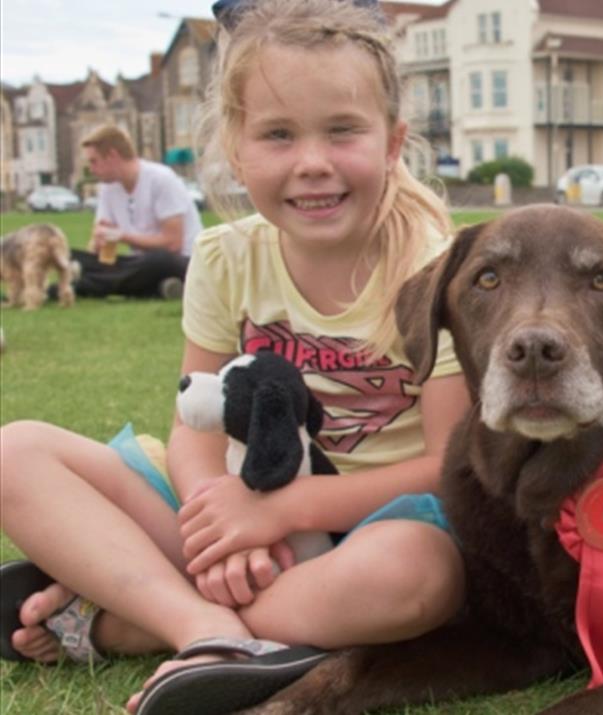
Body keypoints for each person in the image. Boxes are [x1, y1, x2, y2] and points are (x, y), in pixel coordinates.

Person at [0, 2, 468, 713]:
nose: (312, 162)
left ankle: (130, 617)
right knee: (14, 451)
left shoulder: (435, 270)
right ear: (237, 148)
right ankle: (205, 626)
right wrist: (216, 514)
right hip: (238, 512)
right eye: (278, 134)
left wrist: (284, 511)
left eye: (343, 130)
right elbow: (196, 420)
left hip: (373, 530)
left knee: (423, 575)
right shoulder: (223, 258)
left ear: (394, 141)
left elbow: (448, 463)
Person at [70, 124, 201, 300]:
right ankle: (159, 288)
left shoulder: (161, 179)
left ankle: (81, 286)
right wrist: (92, 258)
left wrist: (121, 236)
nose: (91, 169)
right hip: (137, 263)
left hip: (179, 260)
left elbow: (173, 244)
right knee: (74, 257)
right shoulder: (108, 188)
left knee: (157, 261)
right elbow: (102, 241)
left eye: (94, 161)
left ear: (112, 156)